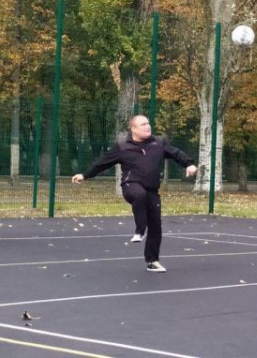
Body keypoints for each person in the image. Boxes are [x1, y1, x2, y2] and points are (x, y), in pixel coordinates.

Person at [72, 115, 197, 273]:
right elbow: (102, 162)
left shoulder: (158, 143)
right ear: (133, 129)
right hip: (131, 186)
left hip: (152, 190)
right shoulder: (123, 146)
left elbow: (176, 153)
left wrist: (189, 164)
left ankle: (152, 261)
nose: (148, 126)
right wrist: (85, 175)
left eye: (148, 123)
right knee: (139, 194)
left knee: (156, 226)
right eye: (143, 124)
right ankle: (139, 231)